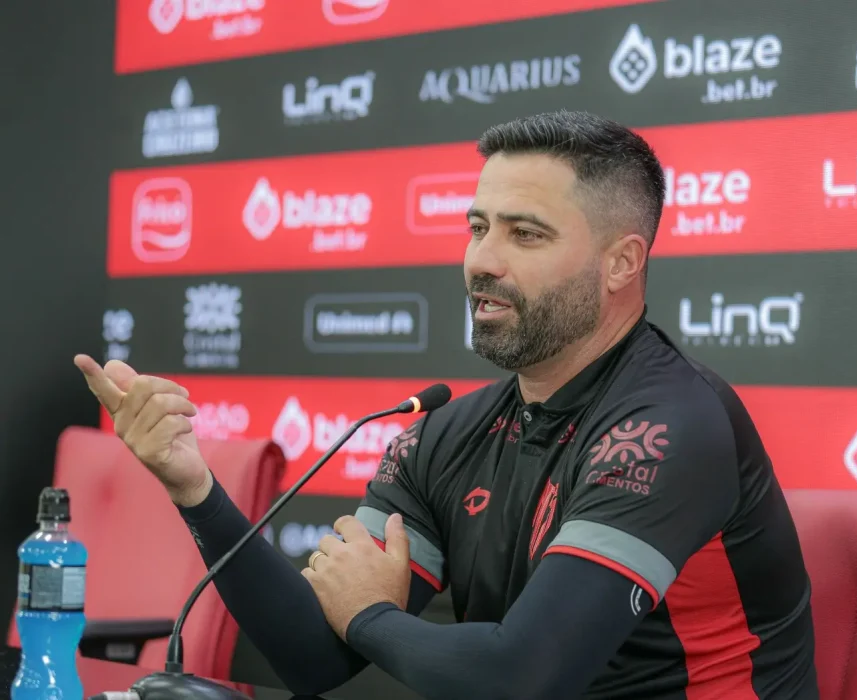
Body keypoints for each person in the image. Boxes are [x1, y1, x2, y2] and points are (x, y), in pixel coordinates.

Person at [76, 110, 818, 699]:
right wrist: (194, 488)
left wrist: (368, 615)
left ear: (622, 261)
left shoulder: (667, 426)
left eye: (525, 234)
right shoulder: (451, 432)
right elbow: (313, 659)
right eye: (477, 226)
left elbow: (523, 677)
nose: (482, 261)